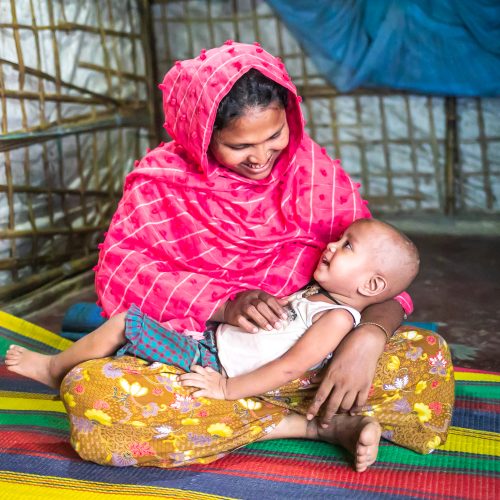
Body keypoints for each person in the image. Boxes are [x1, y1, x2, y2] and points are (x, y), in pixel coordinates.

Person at [33, 42, 453, 471]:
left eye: (274, 135)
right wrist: (223, 304)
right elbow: (127, 271)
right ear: (201, 135)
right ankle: (313, 425)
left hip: (312, 368)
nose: (260, 158)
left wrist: (368, 339)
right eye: (239, 145)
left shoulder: (314, 176)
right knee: (92, 391)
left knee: (429, 356)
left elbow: (381, 278)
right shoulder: (162, 185)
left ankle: (248, 417)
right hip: (210, 359)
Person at [6, 218, 419, 405]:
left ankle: (54, 368)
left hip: (214, 363)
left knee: (126, 324)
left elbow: (292, 366)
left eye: (346, 246)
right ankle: (78, 365)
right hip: (208, 344)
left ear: (371, 286)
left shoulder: (336, 319)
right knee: (130, 341)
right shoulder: (319, 296)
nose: (330, 245)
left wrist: (226, 390)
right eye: (340, 238)